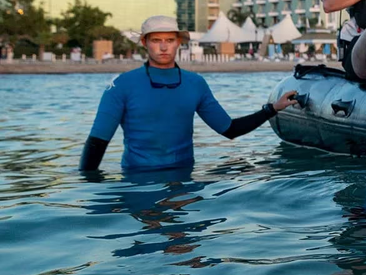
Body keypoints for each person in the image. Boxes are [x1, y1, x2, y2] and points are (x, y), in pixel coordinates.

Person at [80, 16, 299, 171]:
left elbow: (230, 130)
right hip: (138, 180)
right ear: (145, 43)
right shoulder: (121, 85)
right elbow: (97, 144)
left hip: (184, 181)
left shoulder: (195, 83)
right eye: (156, 40)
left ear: (179, 43)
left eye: (169, 40)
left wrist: (271, 109)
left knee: (240, 169)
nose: (163, 47)